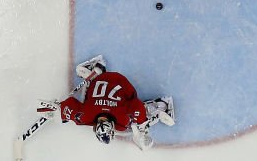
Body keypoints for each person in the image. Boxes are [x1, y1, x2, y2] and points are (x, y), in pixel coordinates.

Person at [40, 58, 175, 150]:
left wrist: (141, 127)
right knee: (91, 100)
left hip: (120, 83)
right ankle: (94, 71)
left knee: (134, 119)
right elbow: (69, 107)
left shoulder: (120, 118)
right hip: (105, 81)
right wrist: (58, 110)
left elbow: (136, 107)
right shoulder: (85, 116)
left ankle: (162, 106)